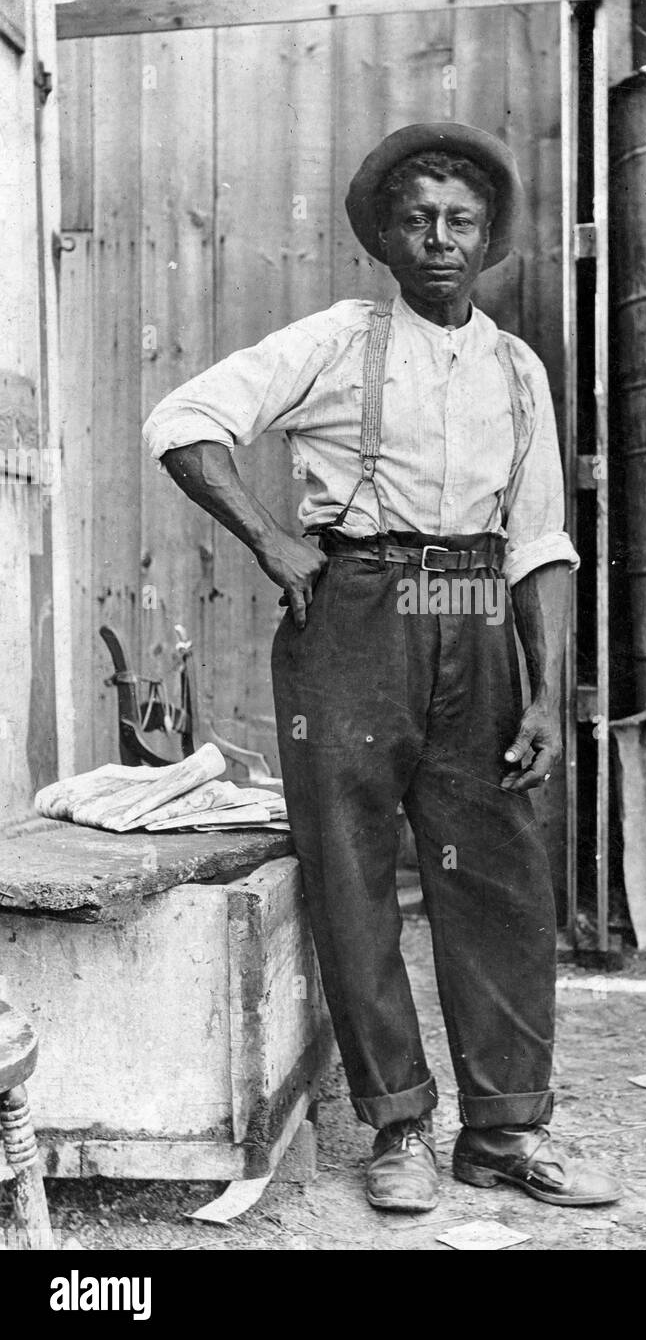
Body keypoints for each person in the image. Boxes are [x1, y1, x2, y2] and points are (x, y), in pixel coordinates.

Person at [143, 122, 619, 1213]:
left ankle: (505, 1130)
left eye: (460, 221)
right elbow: (184, 422)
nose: (439, 240)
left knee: (498, 870)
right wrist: (271, 540)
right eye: (418, 221)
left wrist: (545, 694)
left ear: (487, 237)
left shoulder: (516, 367)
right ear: (386, 239)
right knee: (351, 870)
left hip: (474, 605)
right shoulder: (335, 341)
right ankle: (398, 1123)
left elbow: (541, 542)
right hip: (355, 611)